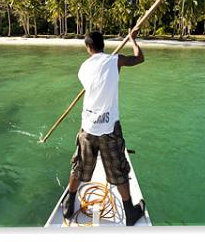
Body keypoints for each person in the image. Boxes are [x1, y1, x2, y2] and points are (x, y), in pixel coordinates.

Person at [62, 29, 146, 226]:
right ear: (103, 45)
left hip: (88, 127)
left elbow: (95, 82)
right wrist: (132, 39)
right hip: (109, 128)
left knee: (80, 166)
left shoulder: (83, 68)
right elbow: (139, 58)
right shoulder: (115, 61)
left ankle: (68, 203)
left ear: (88, 48)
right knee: (118, 170)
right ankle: (130, 212)